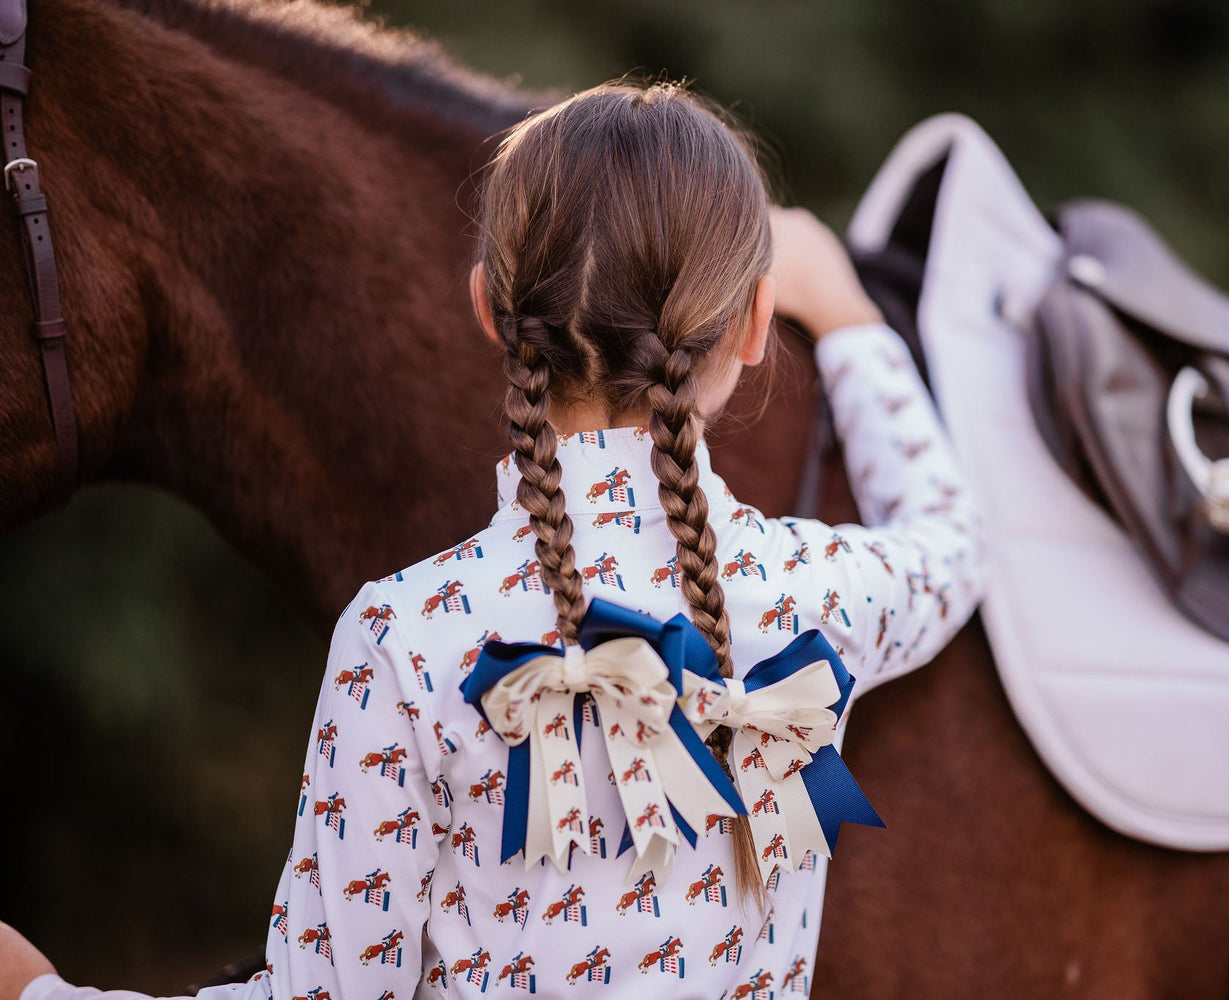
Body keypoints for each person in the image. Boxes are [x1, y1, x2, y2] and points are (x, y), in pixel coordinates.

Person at [5, 80, 981, 1000]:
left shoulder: (405, 640)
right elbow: (953, 544)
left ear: (489, 309)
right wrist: (852, 322)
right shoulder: (821, 589)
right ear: (757, 325)